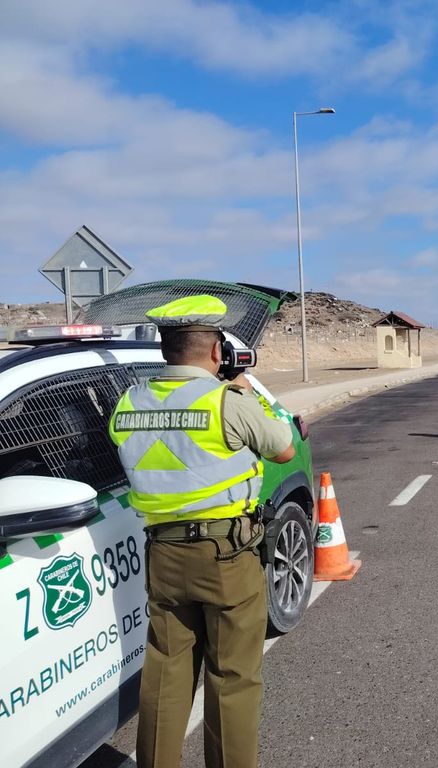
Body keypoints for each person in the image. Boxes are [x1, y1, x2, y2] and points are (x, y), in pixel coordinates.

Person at [108, 295, 296, 768]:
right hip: (227, 556)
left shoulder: (128, 403)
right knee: (232, 677)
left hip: (163, 556)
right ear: (216, 351)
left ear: (166, 350)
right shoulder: (226, 401)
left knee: (166, 676)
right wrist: (250, 396)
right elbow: (283, 449)